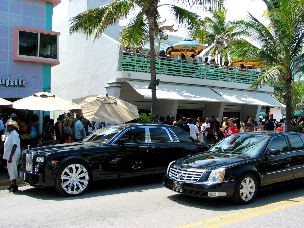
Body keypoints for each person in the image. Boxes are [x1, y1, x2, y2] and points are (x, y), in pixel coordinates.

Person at [3, 120, 21, 192]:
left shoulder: (14, 134)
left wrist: (11, 156)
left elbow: (15, 145)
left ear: (13, 127)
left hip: (12, 156)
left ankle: (14, 185)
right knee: (10, 170)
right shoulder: (10, 134)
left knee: (13, 170)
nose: (7, 127)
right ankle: (12, 184)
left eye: (9, 126)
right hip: (9, 155)